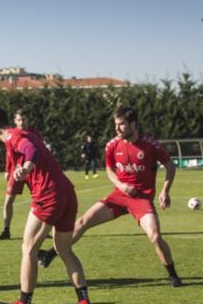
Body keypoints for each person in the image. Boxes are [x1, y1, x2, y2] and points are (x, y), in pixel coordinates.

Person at [38, 106, 182, 287]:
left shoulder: (151, 145)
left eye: (121, 124)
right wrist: (121, 185)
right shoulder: (113, 145)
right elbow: (109, 169)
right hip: (118, 197)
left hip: (141, 200)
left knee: (154, 236)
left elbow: (170, 166)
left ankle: (173, 275)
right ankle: (50, 254)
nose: (117, 128)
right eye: (116, 124)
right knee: (83, 222)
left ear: (133, 124)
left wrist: (165, 191)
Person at [0, 106, 93, 304]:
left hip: (48, 195)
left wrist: (27, 165)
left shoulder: (14, 136)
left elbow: (30, 149)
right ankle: (84, 303)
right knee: (64, 250)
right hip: (67, 193)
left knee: (28, 249)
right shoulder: (21, 134)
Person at [0, 109, 44, 240]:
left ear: (28, 119)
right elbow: (9, 153)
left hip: (32, 172)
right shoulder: (12, 134)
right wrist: (7, 169)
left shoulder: (35, 134)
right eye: (19, 119)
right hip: (16, 172)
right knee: (8, 201)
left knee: (40, 200)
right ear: (14, 121)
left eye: (24, 119)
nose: (22, 122)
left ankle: (42, 229)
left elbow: (39, 151)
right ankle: (6, 230)